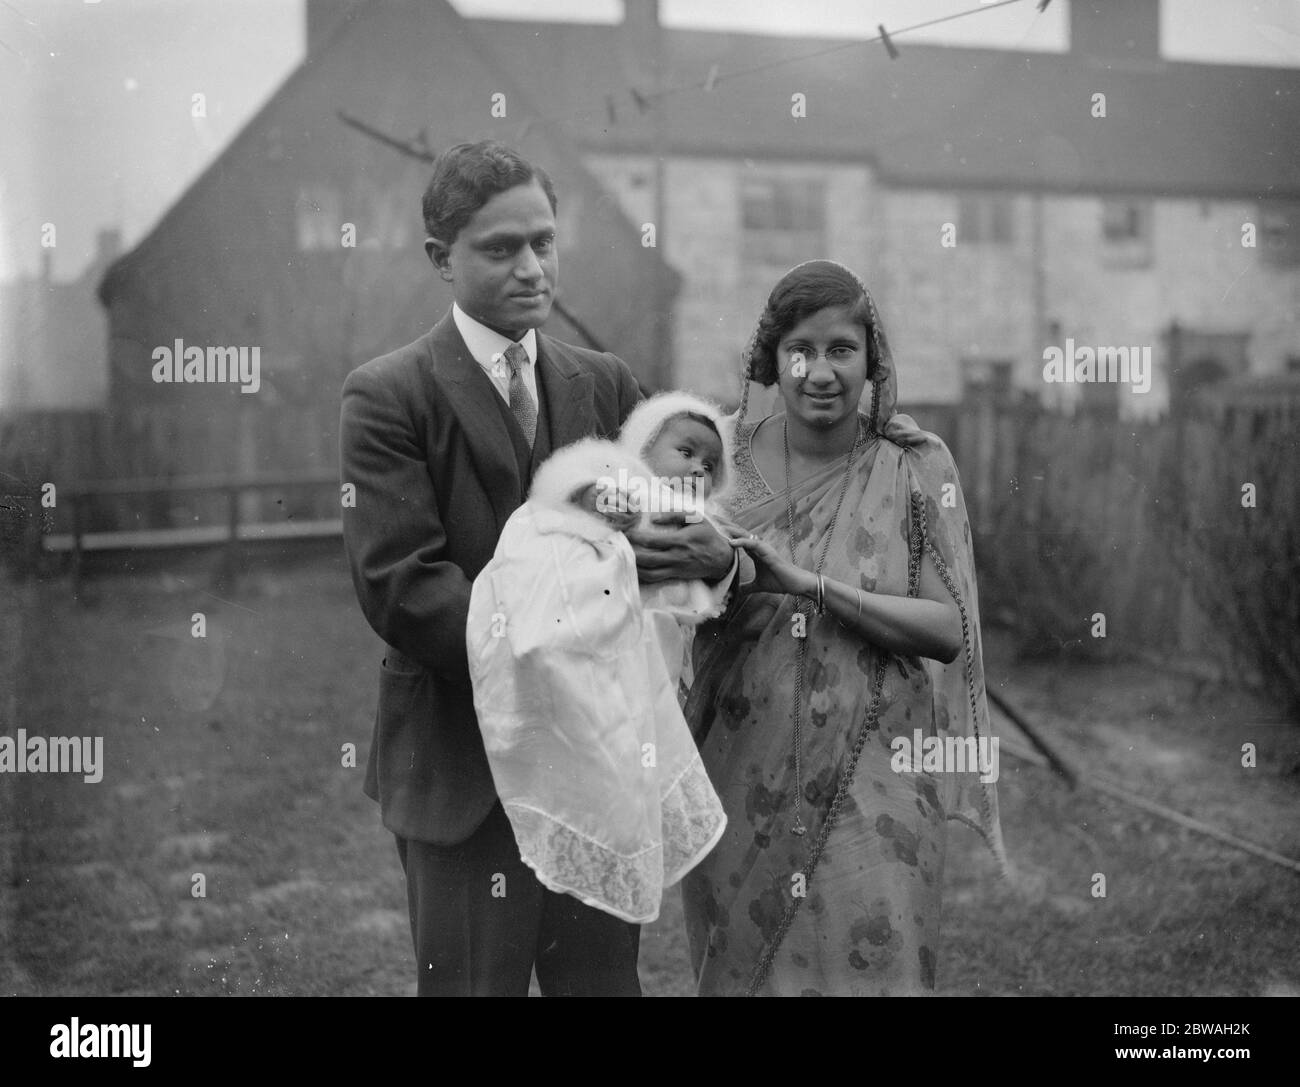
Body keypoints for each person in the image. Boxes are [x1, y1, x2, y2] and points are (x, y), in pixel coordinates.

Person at [338, 139, 735, 997]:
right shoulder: (389, 395)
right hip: (464, 772)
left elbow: (674, 537)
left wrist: (713, 563)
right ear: (442, 259)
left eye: (544, 243)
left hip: (594, 767)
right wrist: (574, 624)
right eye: (500, 248)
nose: (531, 267)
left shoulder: (604, 382)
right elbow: (402, 587)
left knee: (600, 987)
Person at [682, 259, 1009, 997]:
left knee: (876, 962)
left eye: (841, 349)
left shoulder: (910, 468)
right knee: (752, 970)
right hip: (741, 773)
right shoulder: (718, 458)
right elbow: (671, 596)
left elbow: (945, 628)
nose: (820, 371)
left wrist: (809, 586)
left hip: (879, 776)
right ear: (771, 359)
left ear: (871, 360)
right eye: (800, 349)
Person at [463, 393, 739, 926]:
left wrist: (711, 566)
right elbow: (567, 497)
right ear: (641, 446)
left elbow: (699, 591)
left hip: (640, 659)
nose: (697, 469)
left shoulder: (695, 522)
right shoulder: (620, 481)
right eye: (685, 451)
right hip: (575, 608)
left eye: (710, 466)